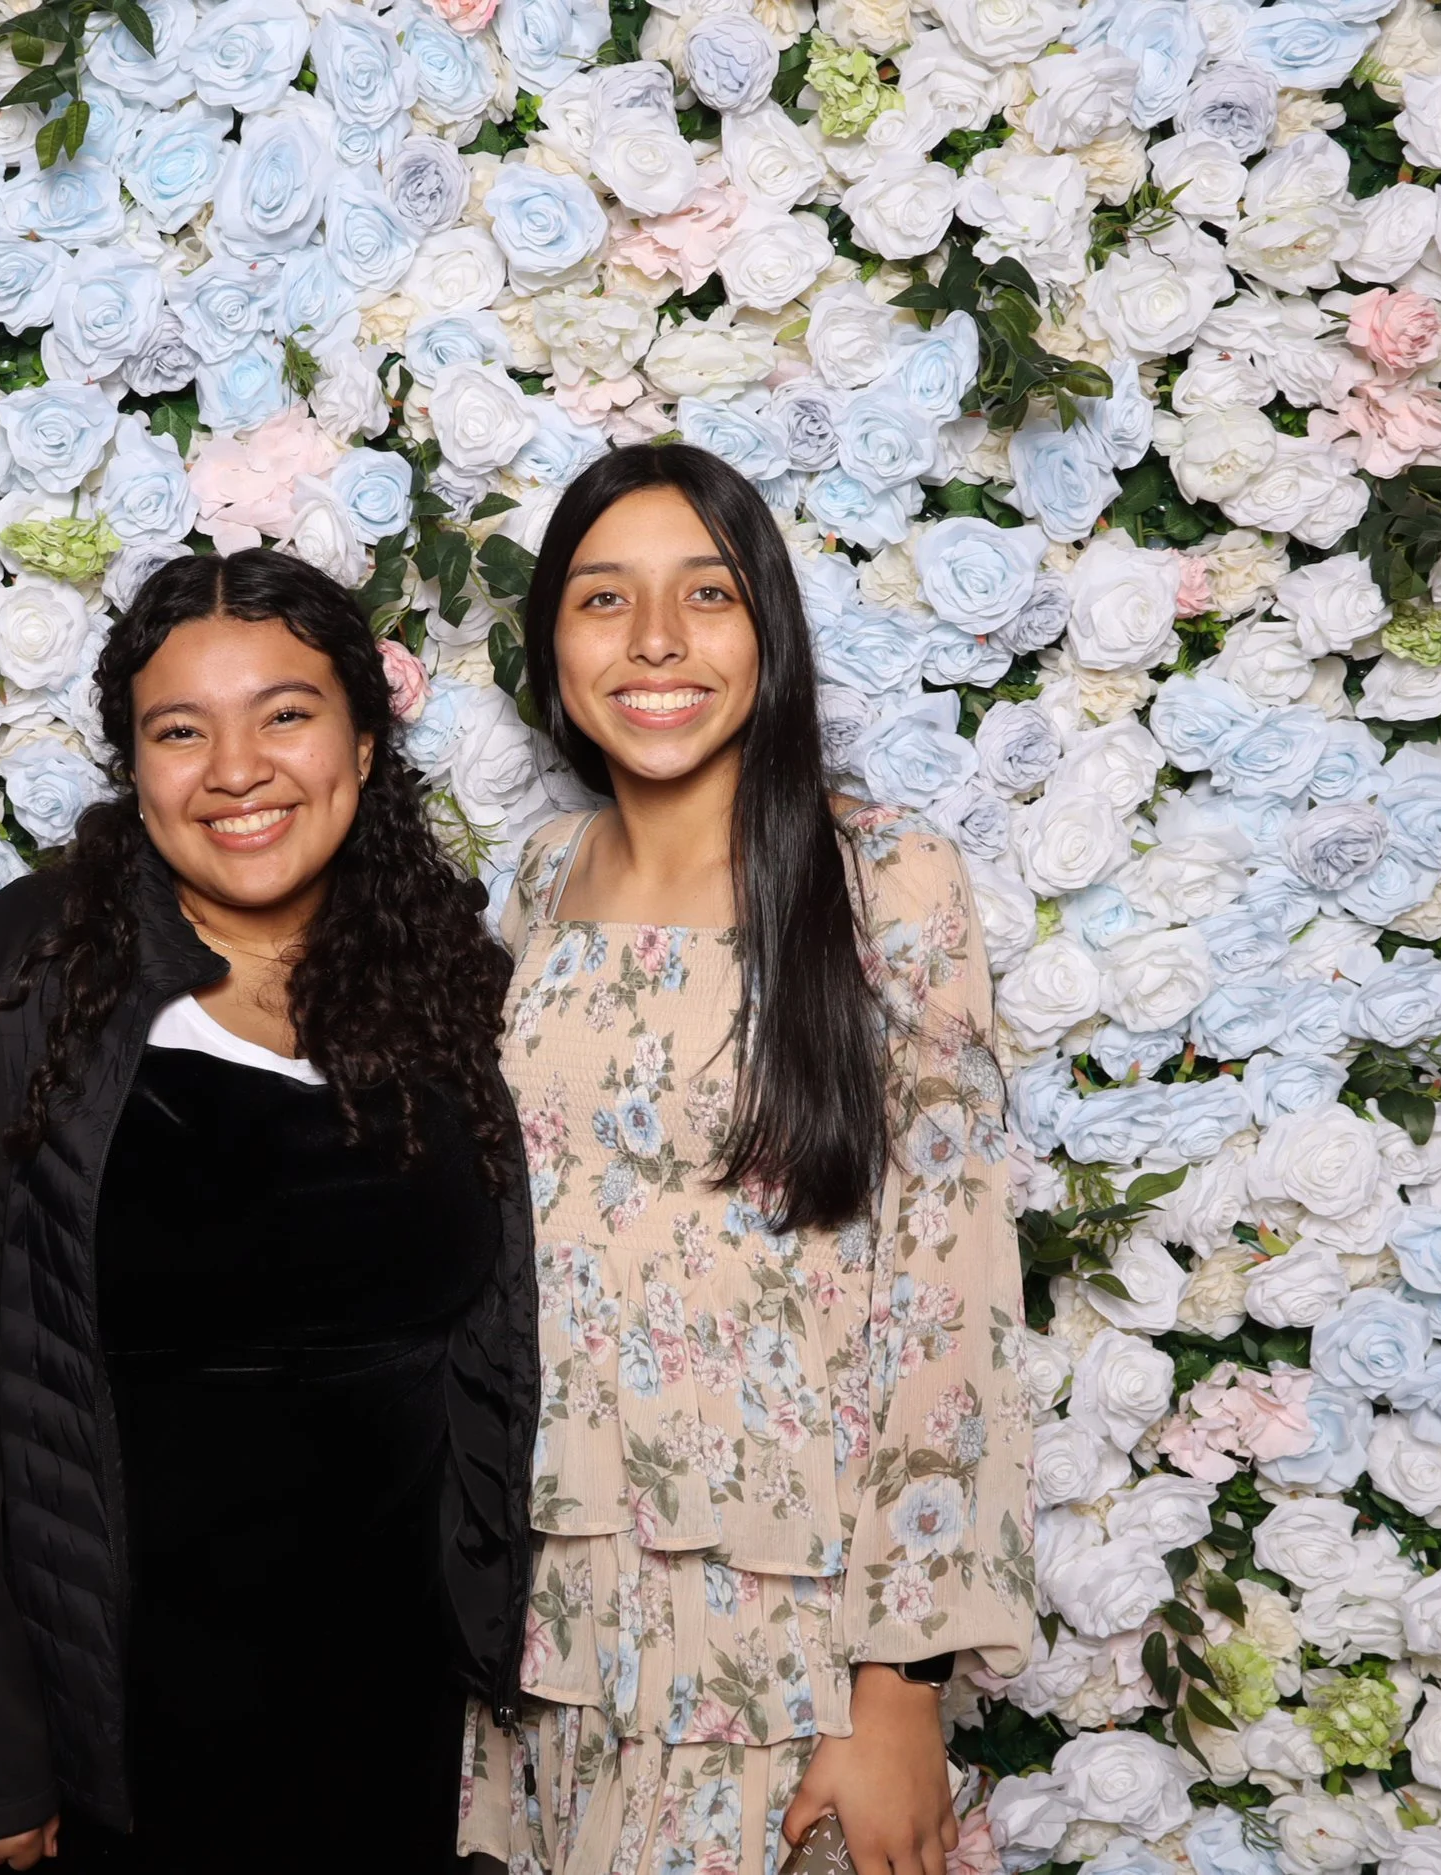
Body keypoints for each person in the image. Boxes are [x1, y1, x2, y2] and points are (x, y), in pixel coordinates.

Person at [0, 549, 539, 1874]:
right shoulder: (23, 975)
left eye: (285, 713)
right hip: (121, 1731)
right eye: (181, 730)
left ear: (364, 740)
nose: (237, 769)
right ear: (133, 763)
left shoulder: (448, 974)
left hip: (406, 1718)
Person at [457, 445, 1034, 1875]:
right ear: (552, 649)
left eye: (706, 593)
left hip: (787, 1635)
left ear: (767, 629)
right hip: (545, 1611)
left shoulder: (886, 879)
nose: (656, 640)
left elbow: (948, 1296)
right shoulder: (537, 881)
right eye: (604, 598)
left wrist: (899, 1694)